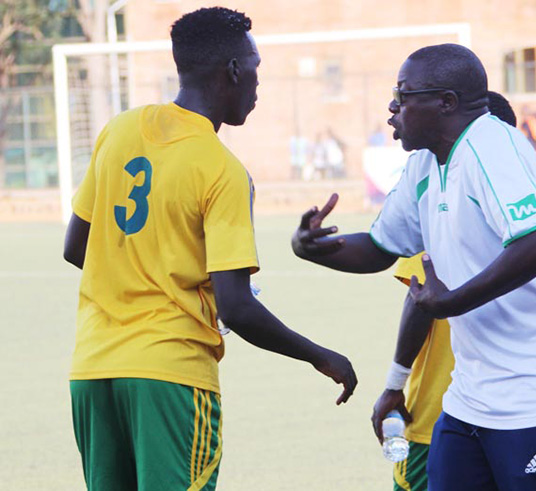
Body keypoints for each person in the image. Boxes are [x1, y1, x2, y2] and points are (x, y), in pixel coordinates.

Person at [292, 43, 536, 491]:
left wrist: (452, 301)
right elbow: (381, 247)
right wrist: (315, 247)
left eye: (404, 95)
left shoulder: (492, 145)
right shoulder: (424, 163)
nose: (392, 107)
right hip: (472, 394)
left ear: (446, 102)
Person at [62, 8, 357, 490]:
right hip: (170, 376)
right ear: (234, 71)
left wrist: (146, 268)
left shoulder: (119, 131)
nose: (258, 86)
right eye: (256, 69)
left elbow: (78, 247)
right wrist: (321, 356)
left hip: (93, 371)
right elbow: (237, 308)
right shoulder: (222, 169)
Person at [371, 91, 529, 491]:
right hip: (522, 406)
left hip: (440, 411)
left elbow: (419, 299)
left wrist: (393, 384)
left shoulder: (445, 198)